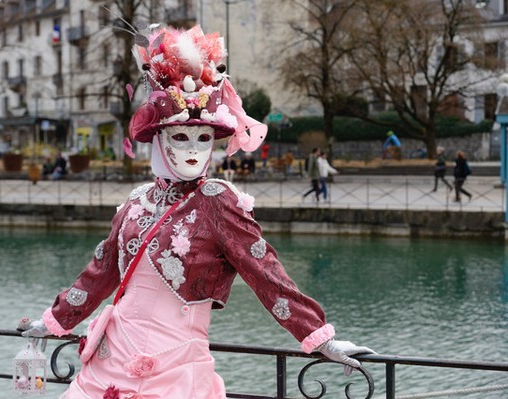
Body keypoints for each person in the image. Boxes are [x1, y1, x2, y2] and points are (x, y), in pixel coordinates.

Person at [19, 25, 374, 399]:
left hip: (174, 372)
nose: (193, 149)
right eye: (180, 137)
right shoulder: (136, 201)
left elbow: (267, 275)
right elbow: (99, 273)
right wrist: (53, 322)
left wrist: (319, 337)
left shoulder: (218, 202)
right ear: (158, 140)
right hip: (107, 361)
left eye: (203, 138)